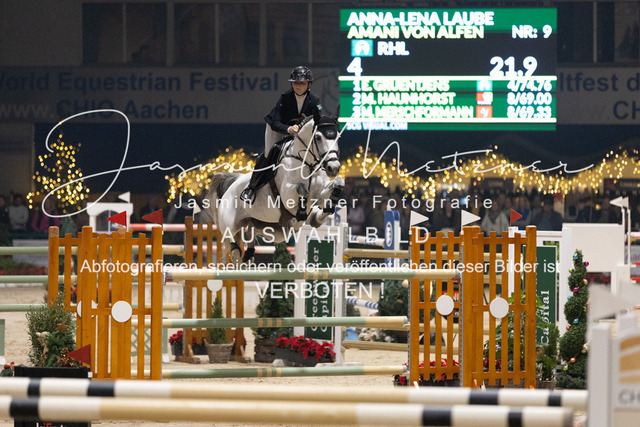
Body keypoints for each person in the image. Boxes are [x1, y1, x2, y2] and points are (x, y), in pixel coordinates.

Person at [240, 66, 322, 203]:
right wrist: (288, 129)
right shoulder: (285, 98)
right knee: (269, 153)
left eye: (302, 83)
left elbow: (318, 119)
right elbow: (275, 122)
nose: (298, 86)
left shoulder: (315, 101)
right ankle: (251, 188)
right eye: (295, 83)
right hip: (277, 130)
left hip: (300, 134)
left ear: (309, 84)